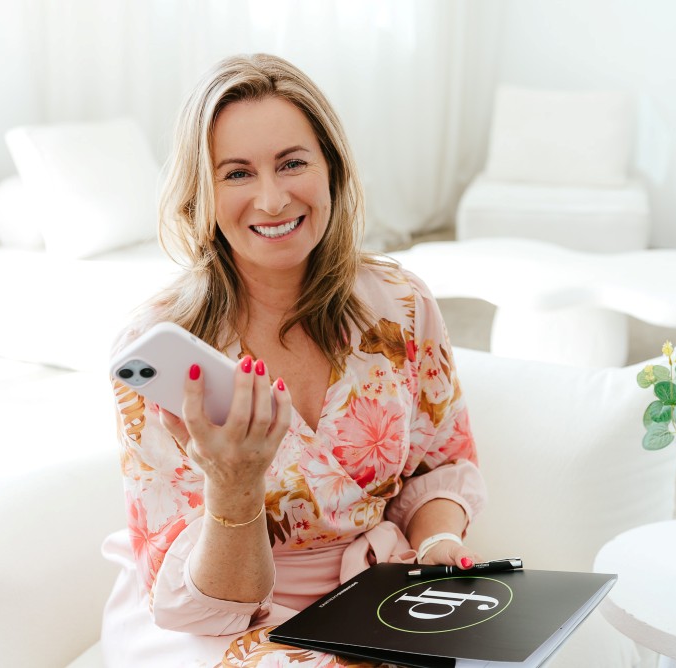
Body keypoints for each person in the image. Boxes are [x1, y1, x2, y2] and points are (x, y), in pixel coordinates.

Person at [100, 53, 486, 667]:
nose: (273, 198)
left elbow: (438, 465)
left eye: (292, 163)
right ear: (201, 193)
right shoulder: (158, 345)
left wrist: (437, 541)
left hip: (369, 596)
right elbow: (204, 605)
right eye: (236, 173)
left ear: (330, 167)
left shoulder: (401, 306)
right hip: (216, 616)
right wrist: (234, 485)